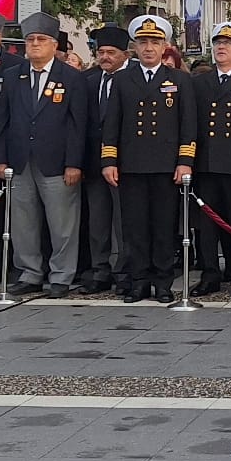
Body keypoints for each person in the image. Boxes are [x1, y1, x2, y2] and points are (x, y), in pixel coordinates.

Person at [0, 11, 90, 299]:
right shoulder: (13, 76)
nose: (34, 44)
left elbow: (78, 124)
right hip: (20, 159)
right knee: (23, 222)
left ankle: (61, 274)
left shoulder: (71, 78)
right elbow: (3, 120)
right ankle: (30, 272)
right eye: (30, 39)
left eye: (41, 39)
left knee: (62, 223)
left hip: (57, 161)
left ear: (54, 45)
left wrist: (74, 162)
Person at [101, 15, 197, 304]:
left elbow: (188, 123)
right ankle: (139, 281)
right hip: (132, 163)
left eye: (154, 42)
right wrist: (109, 160)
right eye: (143, 43)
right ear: (134, 47)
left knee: (164, 226)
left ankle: (163, 281)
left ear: (165, 46)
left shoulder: (178, 79)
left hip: (167, 165)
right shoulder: (122, 79)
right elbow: (111, 123)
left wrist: (185, 160)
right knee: (135, 226)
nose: (148, 48)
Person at [190, 22, 231, 298]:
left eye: (227, 44)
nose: (221, 48)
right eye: (217, 44)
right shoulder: (200, 82)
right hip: (207, 162)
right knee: (207, 224)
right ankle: (210, 273)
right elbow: (191, 123)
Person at [80, 26, 129, 294]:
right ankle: (100, 270)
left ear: (124, 54)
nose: (105, 57)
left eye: (111, 52)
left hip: (124, 162)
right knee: (98, 221)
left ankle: (123, 270)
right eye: (101, 52)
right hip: (94, 163)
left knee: (122, 222)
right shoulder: (88, 80)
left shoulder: (133, 79)